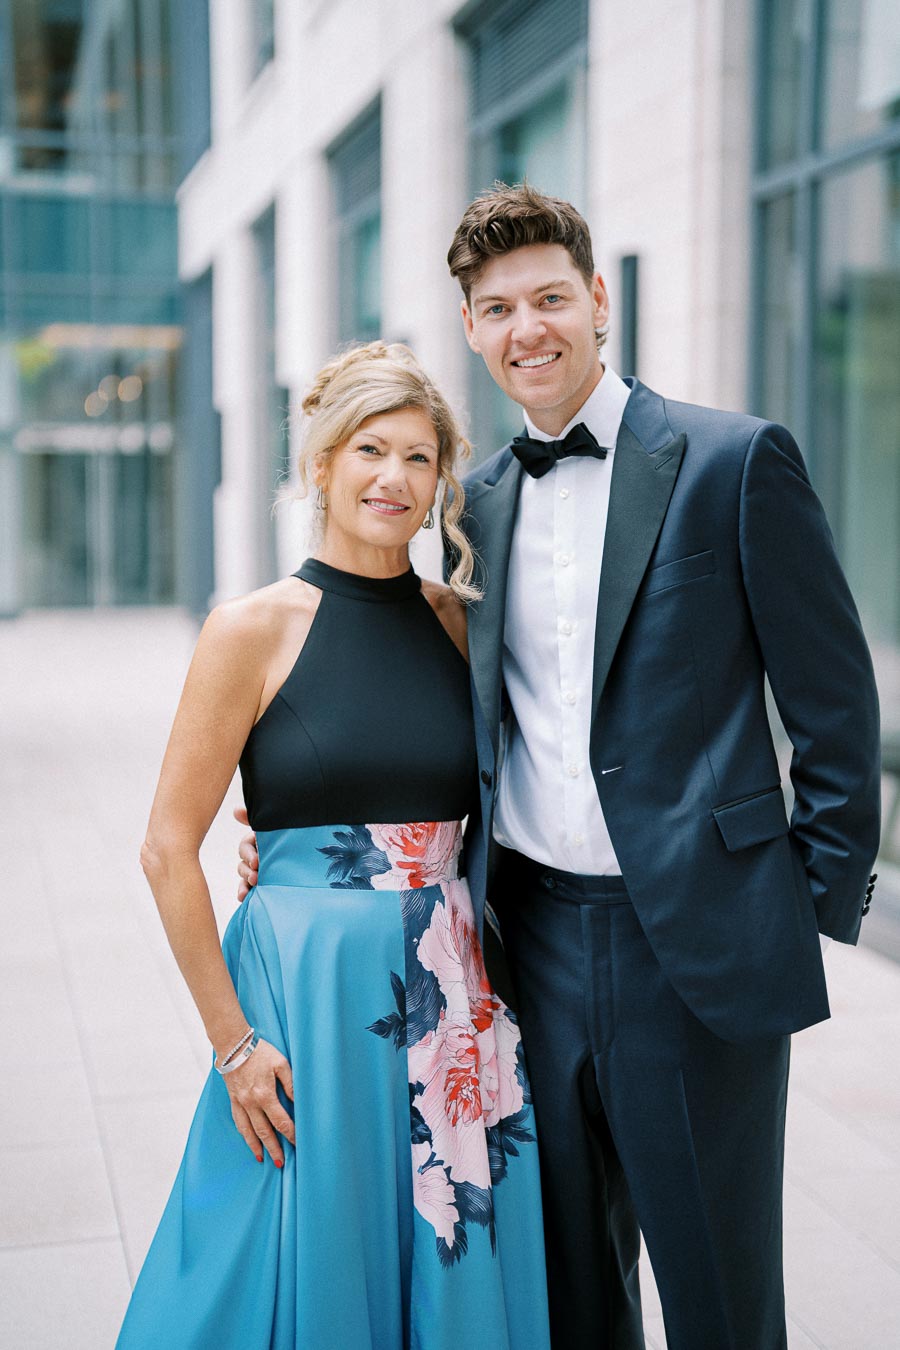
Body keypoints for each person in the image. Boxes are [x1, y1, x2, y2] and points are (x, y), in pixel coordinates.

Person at [232, 184, 885, 1350]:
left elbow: (834, 706)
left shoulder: (735, 462)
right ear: (474, 333)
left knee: (723, 1294)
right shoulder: (468, 502)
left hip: (697, 943)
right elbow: (450, 711)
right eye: (496, 309)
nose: (526, 328)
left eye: (548, 298)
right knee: (566, 1290)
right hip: (522, 947)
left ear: (597, 299)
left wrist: (801, 901)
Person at [117, 341, 551, 1350]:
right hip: (303, 999)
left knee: (440, 1264)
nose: (394, 478)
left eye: (417, 457)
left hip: (450, 994)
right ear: (321, 464)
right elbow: (165, 850)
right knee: (275, 1247)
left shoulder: (458, 622)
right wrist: (234, 1045)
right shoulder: (251, 629)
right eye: (370, 449)